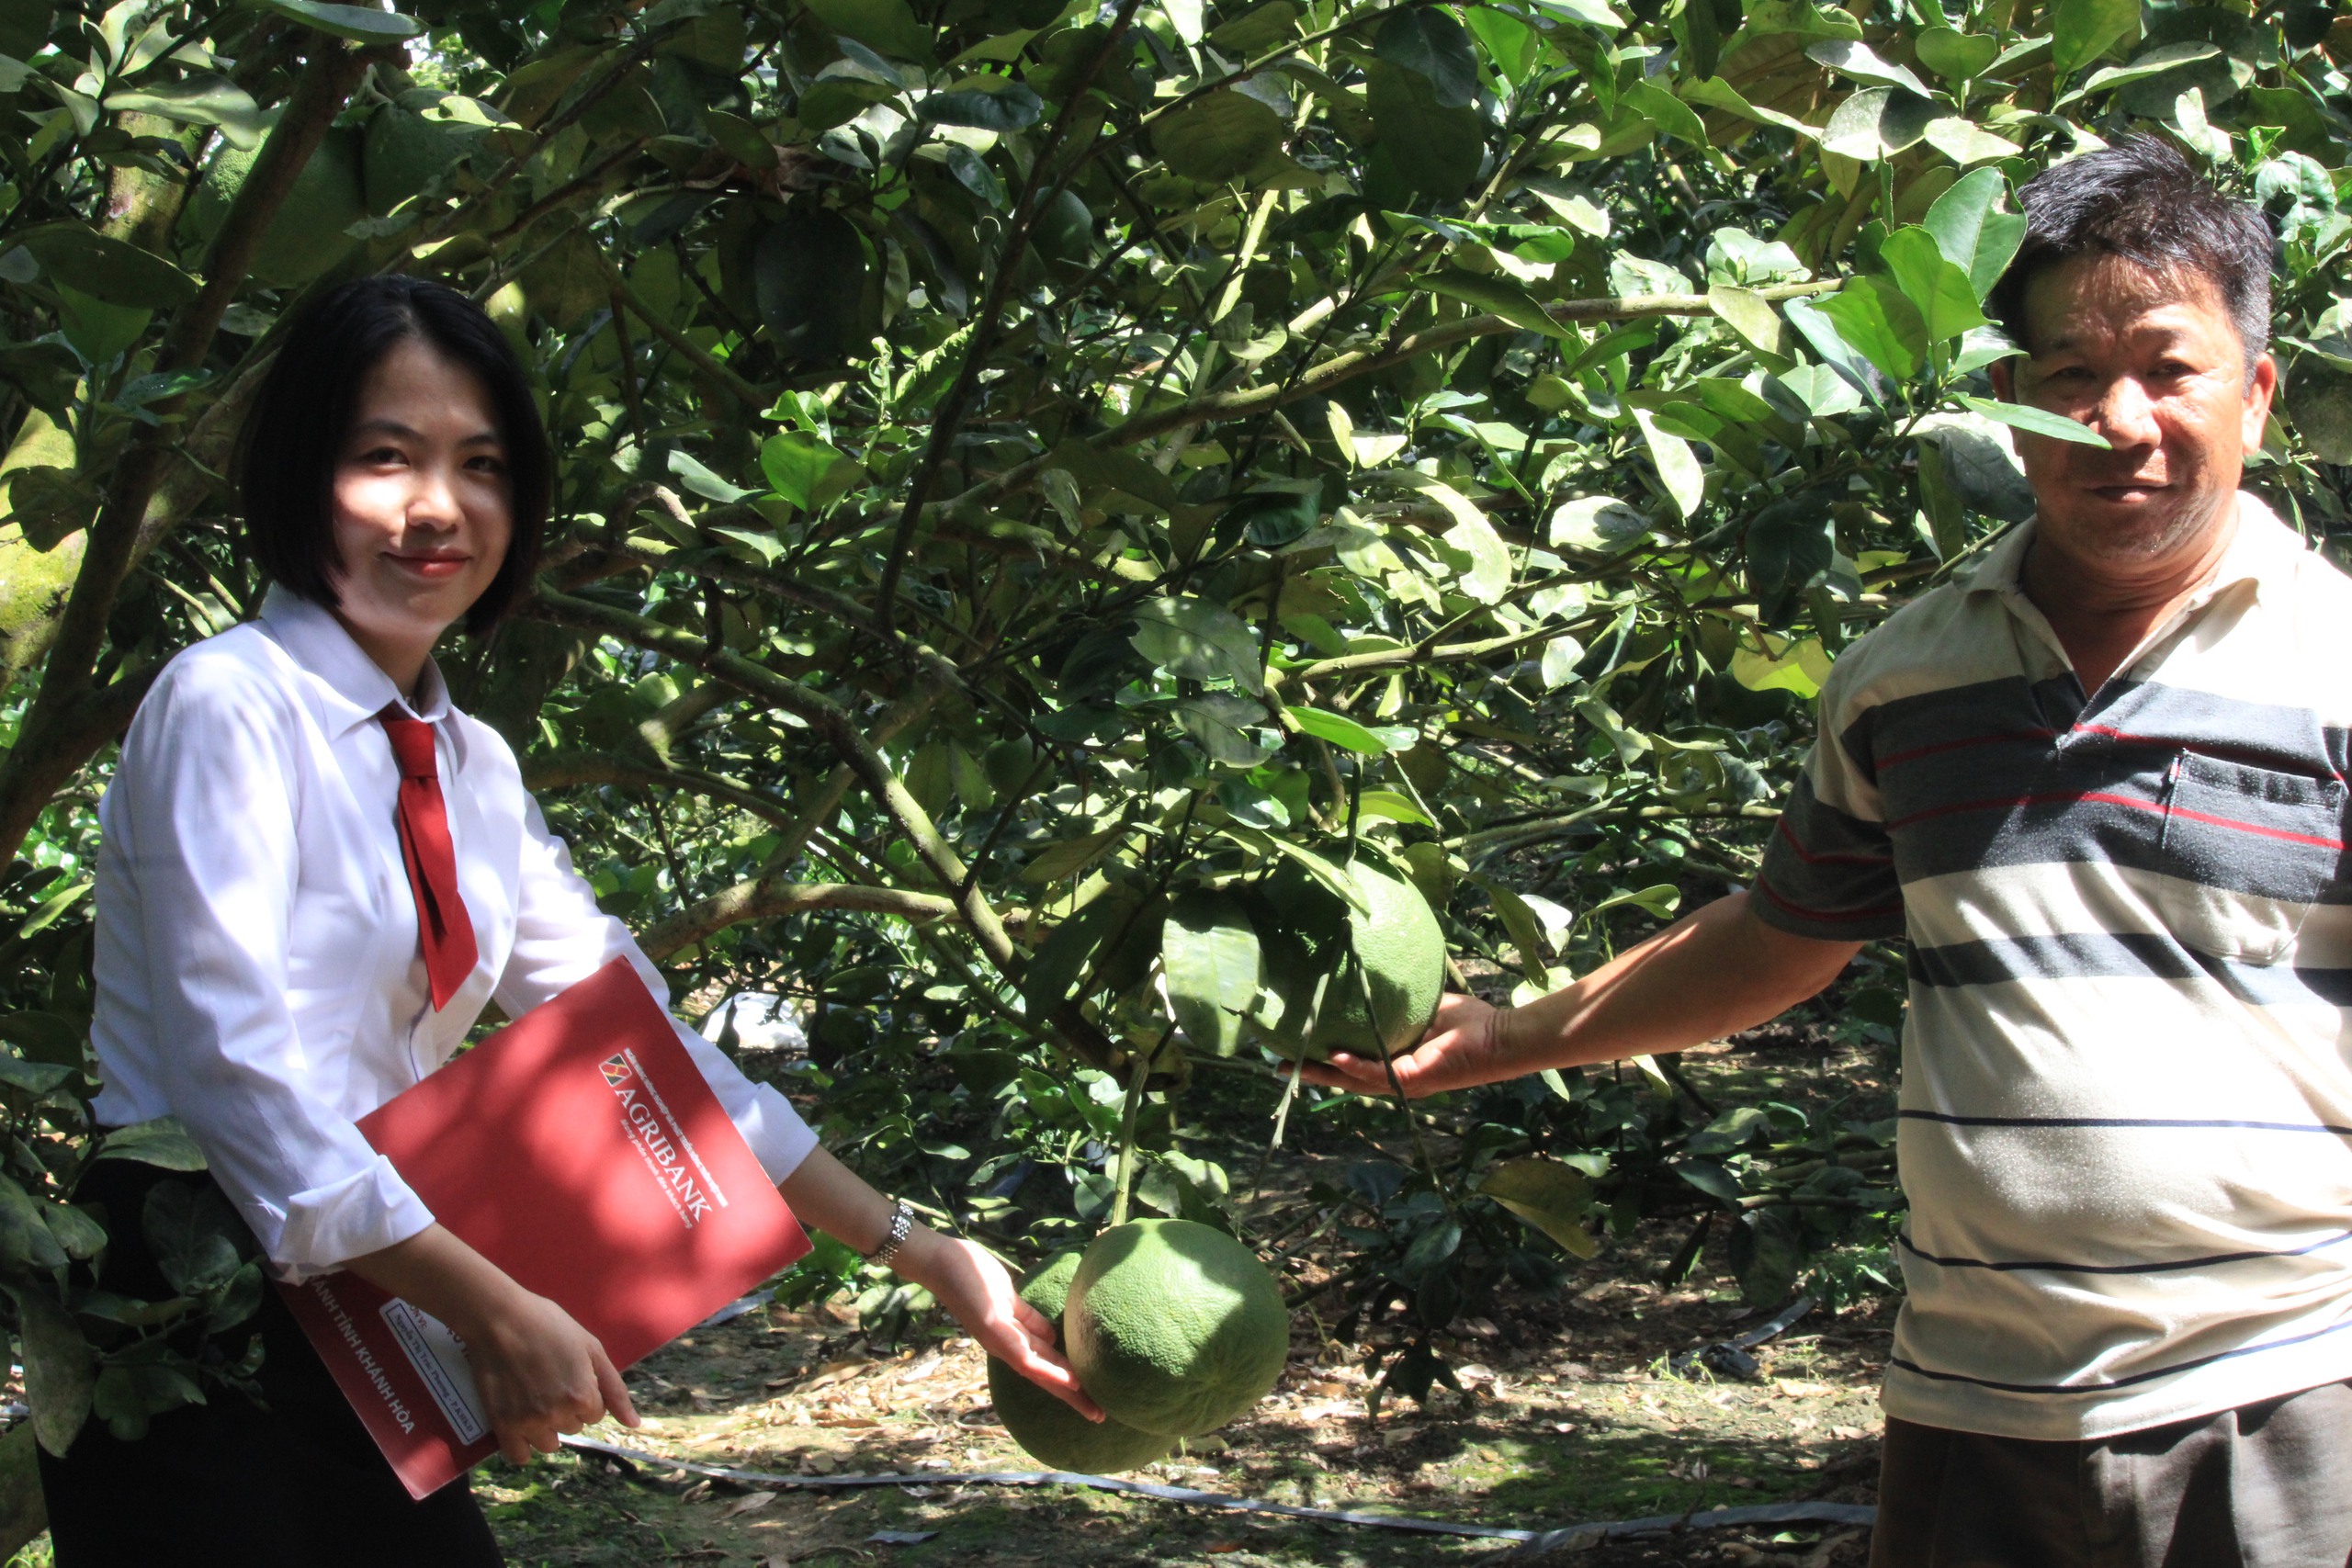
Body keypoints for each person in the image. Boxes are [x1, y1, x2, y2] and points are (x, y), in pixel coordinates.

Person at [1306, 137, 2352, 1566]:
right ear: (2005, 400)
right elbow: (1780, 936)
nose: (2119, 416)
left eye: (2170, 368)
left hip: (2289, 1388)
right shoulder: (1903, 679)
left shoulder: (2338, 668)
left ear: (2257, 394)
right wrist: (1497, 1039)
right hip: (1977, 1395)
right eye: (2067, 375)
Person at [38, 275, 1098, 1565]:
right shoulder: (226, 708)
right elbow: (239, 1087)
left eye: (480, 465)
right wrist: (494, 1311)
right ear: (301, 474)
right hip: (193, 1322)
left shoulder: (468, 763)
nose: (439, 508)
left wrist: (922, 1252)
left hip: (376, 1313)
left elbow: (636, 1035)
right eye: (386, 457)